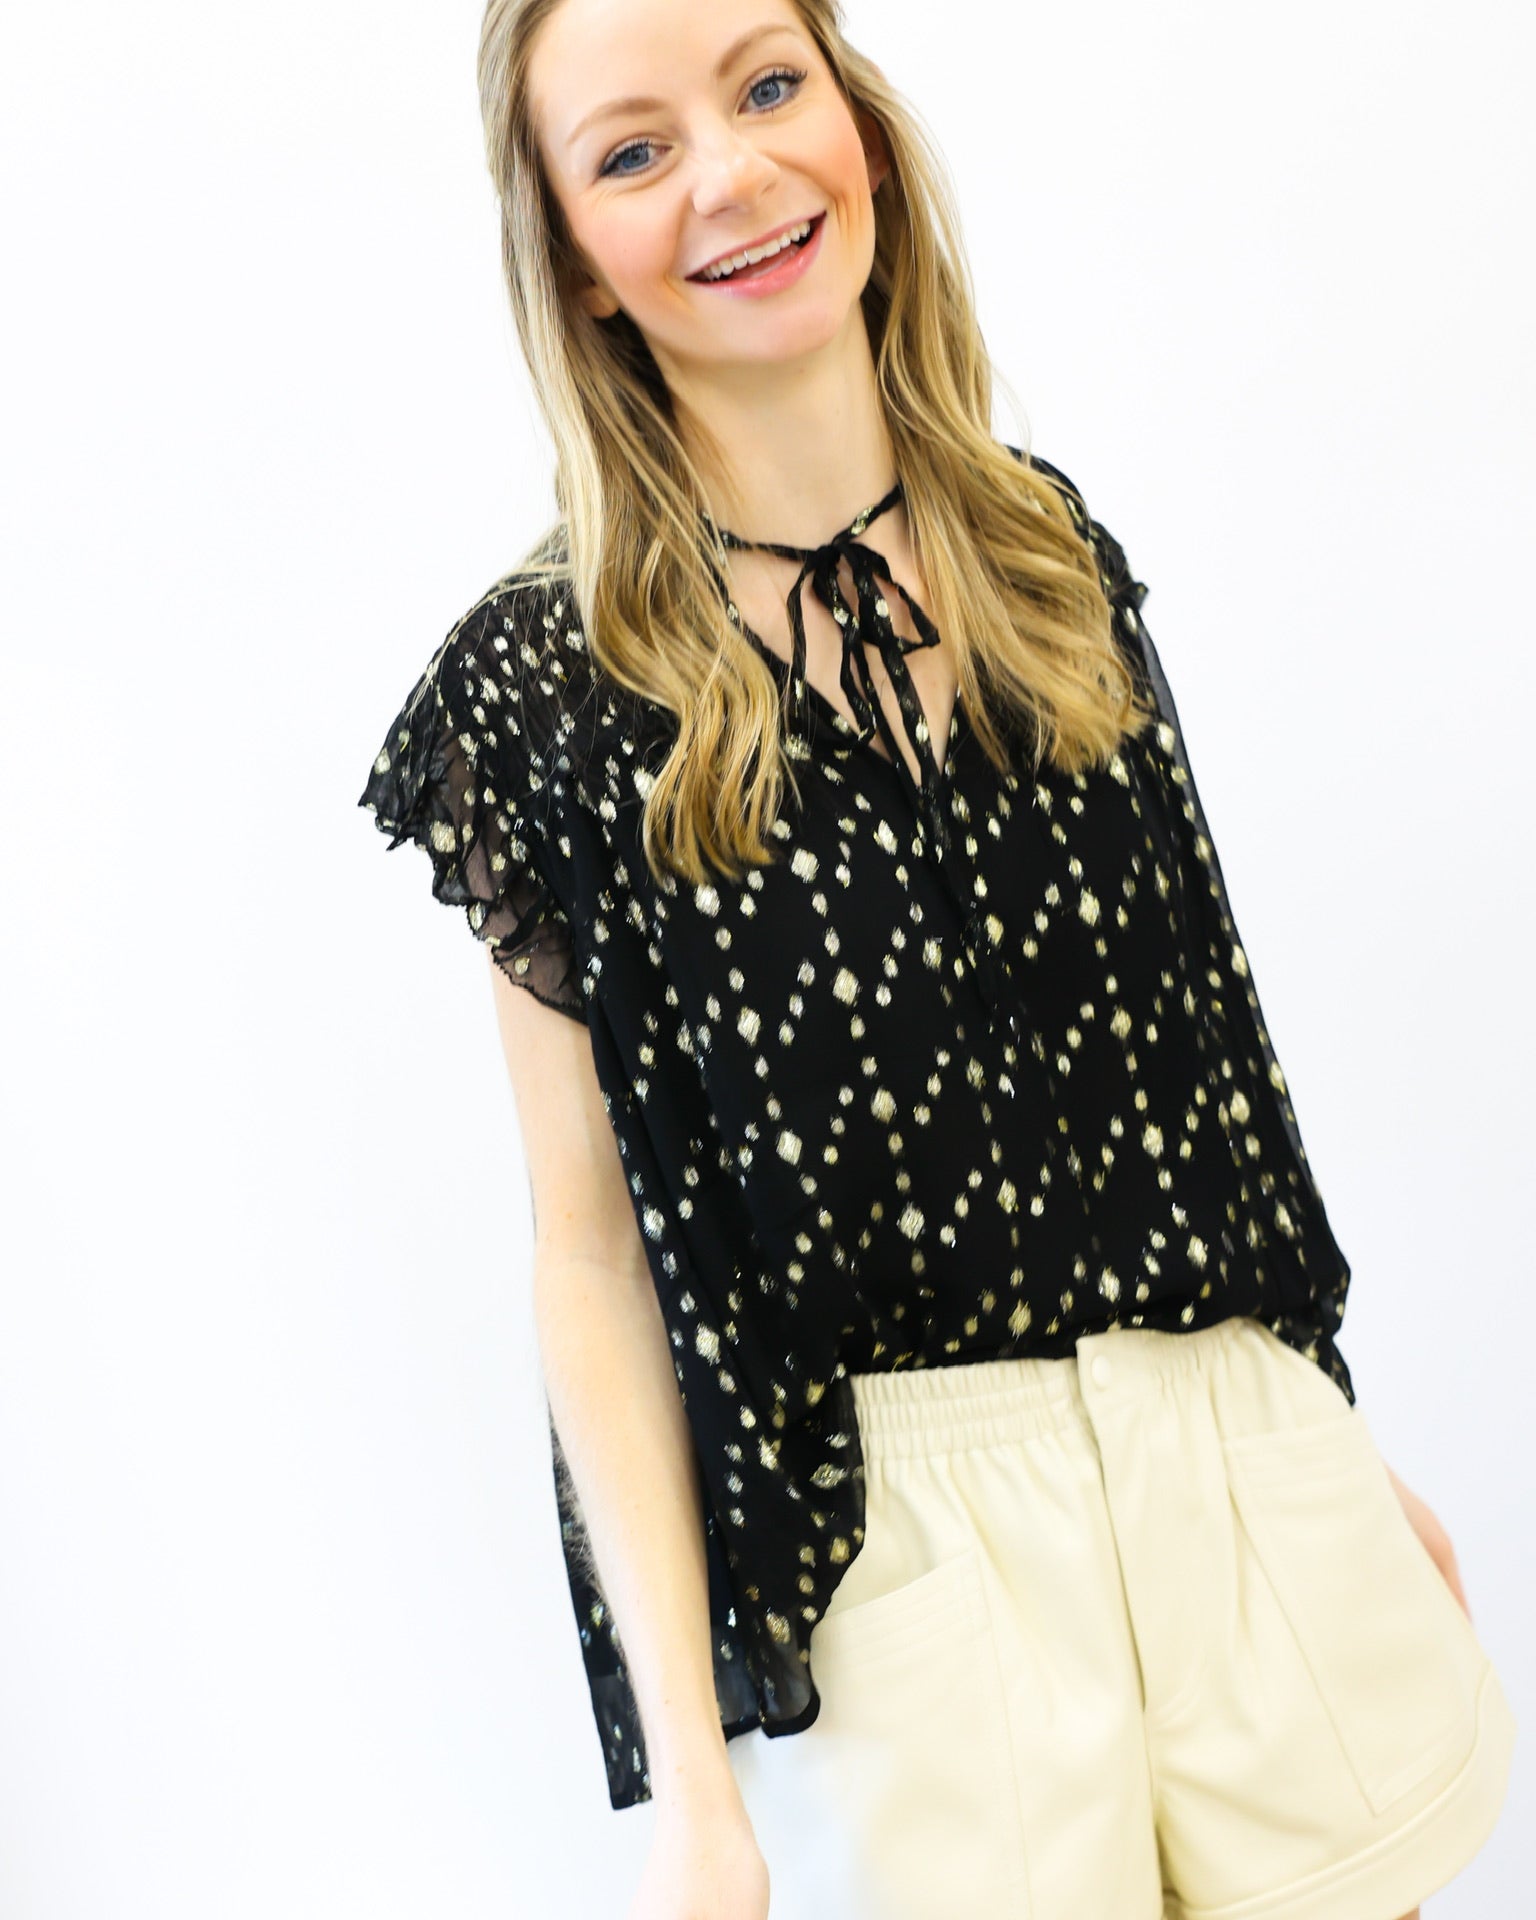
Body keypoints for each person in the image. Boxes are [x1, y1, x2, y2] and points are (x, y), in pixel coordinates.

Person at [356, 2, 1517, 1915]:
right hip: (899, 1550)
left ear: (860, 130)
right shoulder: (548, 691)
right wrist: (695, 1784)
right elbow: (589, 1249)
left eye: (765, 83)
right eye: (633, 151)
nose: (730, 171)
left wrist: (1328, 1430)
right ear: (571, 255)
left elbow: (1210, 1062)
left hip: (1242, 1467)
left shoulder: (1046, 552)